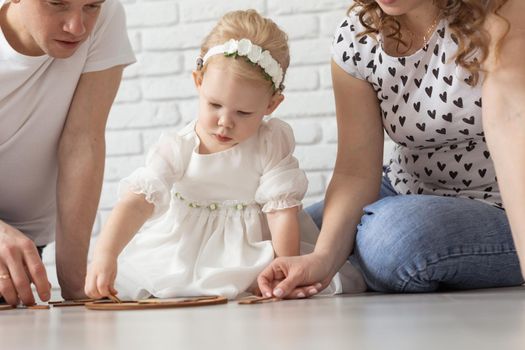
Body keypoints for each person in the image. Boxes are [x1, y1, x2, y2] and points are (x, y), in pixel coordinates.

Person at [258, 0, 525, 299]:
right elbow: (355, 172)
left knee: (392, 237)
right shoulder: (358, 36)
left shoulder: (498, 13)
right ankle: (365, 256)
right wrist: (323, 258)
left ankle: (372, 251)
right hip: (404, 188)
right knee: (278, 236)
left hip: (499, 204)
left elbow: (513, 126)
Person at [84, 10, 353, 300]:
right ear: (198, 82)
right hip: (186, 249)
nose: (225, 121)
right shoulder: (179, 146)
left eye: (243, 112)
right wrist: (105, 253)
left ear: (272, 105)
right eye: (214, 105)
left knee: (258, 284)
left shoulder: (269, 142)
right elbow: (137, 202)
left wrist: (283, 267)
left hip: (253, 248)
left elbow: (280, 212)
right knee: (161, 284)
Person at [0, 0, 135, 306]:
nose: (77, 27)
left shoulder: (106, 17)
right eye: (57, 3)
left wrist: (77, 286)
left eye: (91, 6)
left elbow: (82, 140)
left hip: (25, 241)